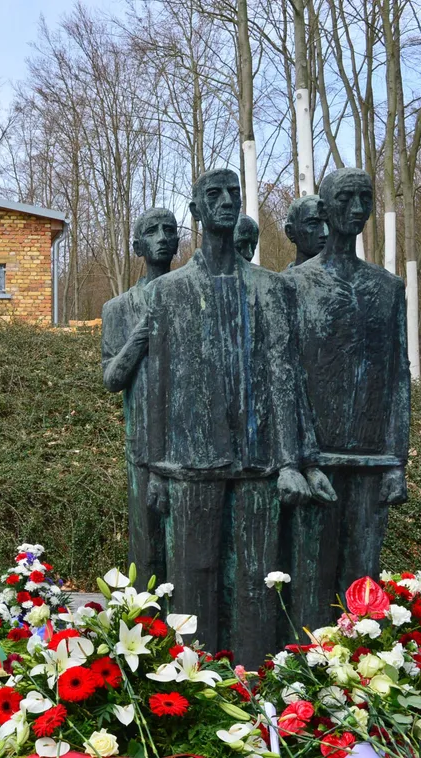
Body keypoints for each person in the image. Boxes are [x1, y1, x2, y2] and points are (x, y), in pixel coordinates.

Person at [139, 168, 333, 666]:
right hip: (190, 461)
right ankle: (191, 683)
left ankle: (253, 685)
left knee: (255, 579)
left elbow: (287, 377)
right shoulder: (169, 292)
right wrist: (156, 470)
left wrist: (295, 460)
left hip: (259, 461)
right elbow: (157, 388)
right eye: (213, 194)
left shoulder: (272, 288)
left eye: (233, 193)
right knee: (193, 574)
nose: (225, 201)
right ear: (197, 210)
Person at [284, 168, 410, 632]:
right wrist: (299, 458)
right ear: (324, 207)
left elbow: (399, 378)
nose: (357, 209)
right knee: (310, 583)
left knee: (364, 587)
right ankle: (304, 682)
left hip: (373, 461)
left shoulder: (388, 288)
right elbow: (286, 379)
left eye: (365, 198)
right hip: (317, 459)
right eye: (346, 198)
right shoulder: (294, 285)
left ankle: (360, 680)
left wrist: (397, 462)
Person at [101, 208, 179, 585]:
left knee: (188, 550)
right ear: (137, 245)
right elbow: (112, 378)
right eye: (152, 231)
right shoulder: (117, 310)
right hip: (143, 444)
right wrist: (142, 333)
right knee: (146, 547)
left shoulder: (191, 299)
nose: (163, 236)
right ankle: (147, 628)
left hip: (190, 445)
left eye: (170, 230)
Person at [285, 195, 327, 268]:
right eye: (313, 224)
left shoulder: (349, 277)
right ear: (289, 232)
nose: (326, 233)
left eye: (329, 223)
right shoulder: (277, 279)